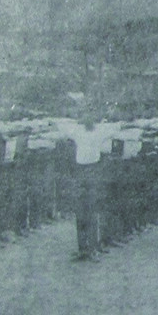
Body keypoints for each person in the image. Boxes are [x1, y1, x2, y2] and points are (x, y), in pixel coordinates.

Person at [54, 112, 121, 261]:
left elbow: (118, 128)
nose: (88, 119)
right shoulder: (76, 130)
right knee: (80, 211)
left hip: (94, 171)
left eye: (91, 116)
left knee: (91, 210)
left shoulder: (100, 130)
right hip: (80, 172)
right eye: (85, 116)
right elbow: (60, 126)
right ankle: (82, 249)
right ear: (82, 119)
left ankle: (92, 249)